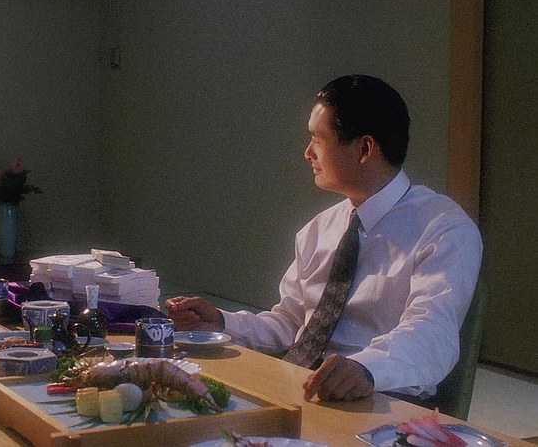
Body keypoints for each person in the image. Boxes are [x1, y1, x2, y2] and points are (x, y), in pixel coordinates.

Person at [166, 75, 482, 403]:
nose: (307, 153)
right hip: (299, 385)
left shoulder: (442, 228)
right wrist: (221, 322)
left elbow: (431, 332)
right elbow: (293, 325)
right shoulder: (320, 229)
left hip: (377, 396)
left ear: (364, 149)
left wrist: (365, 368)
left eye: (317, 139)